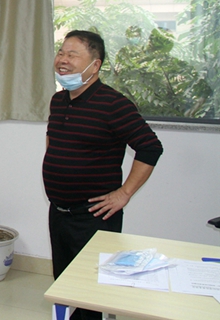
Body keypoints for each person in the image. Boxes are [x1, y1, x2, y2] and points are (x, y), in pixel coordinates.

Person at [45, 30, 162, 320]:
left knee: (91, 293)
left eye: (73, 55)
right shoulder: (59, 100)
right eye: (61, 52)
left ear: (94, 65)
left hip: (93, 216)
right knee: (65, 284)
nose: (63, 60)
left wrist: (124, 193)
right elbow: (53, 139)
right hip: (59, 212)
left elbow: (150, 147)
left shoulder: (113, 104)